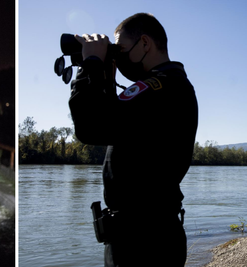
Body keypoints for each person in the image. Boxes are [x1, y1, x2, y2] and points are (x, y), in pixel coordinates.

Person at [69, 13, 198, 266]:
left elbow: (90, 126)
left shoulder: (160, 86)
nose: (118, 57)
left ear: (145, 43)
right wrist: (105, 75)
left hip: (143, 241)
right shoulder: (168, 86)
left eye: (121, 49)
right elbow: (112, 121)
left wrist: (92, 63)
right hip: (147, 235)